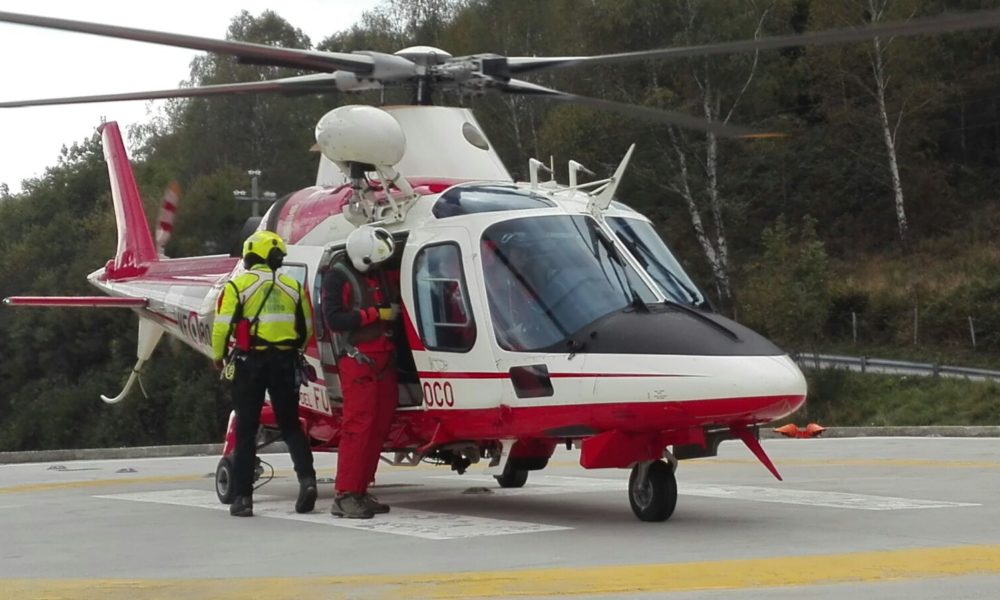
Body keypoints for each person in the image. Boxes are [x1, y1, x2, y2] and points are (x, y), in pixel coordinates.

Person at [211, 230, 317, 518]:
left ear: (251, 256)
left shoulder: (237, 286)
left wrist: (218, 356)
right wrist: (292, 350)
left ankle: (243, 499)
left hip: (250, 362)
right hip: (285, 362)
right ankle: (307, 481)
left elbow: (222, 326)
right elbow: (306, 330)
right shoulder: (294, 286)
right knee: (291, 425)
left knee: (246, 430)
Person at [321, 225, 399, 519]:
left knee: (379, 427)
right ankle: (345, 495)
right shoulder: (337, 277)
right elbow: (335, 319)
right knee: (357, 428)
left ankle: (362, 488)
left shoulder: (376, 272)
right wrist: (376, 314)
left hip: (383, 360)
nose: (380, 266)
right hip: (359, 360)